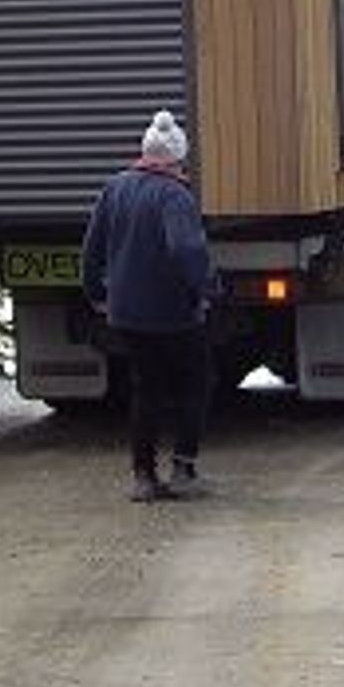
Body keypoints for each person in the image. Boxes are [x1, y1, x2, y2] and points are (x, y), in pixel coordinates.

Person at [80, 108, 221, 502]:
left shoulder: (115, 188)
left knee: (146, 389)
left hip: (126, 312)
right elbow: (186, 250)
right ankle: (183, 467)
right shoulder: (175, 195)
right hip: (173, 312)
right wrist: (207, 289)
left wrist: (97, 294)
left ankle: (143, 476)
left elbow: (91, 251)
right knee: (196, 383)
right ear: (177, 158)